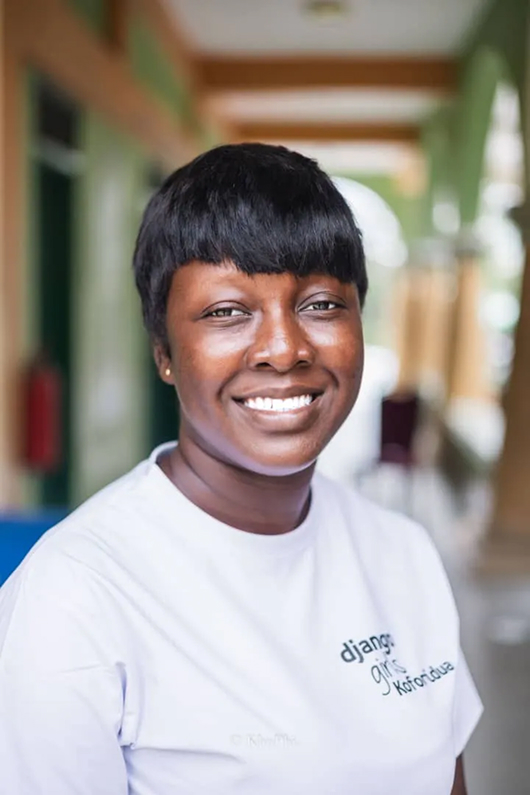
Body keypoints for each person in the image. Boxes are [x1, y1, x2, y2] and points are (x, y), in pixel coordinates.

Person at [0, 143, 482, 795]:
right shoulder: (75, 600)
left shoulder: (404, 554)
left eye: (320, 304)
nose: (284, 349)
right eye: (227, 311)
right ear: (165, 353)